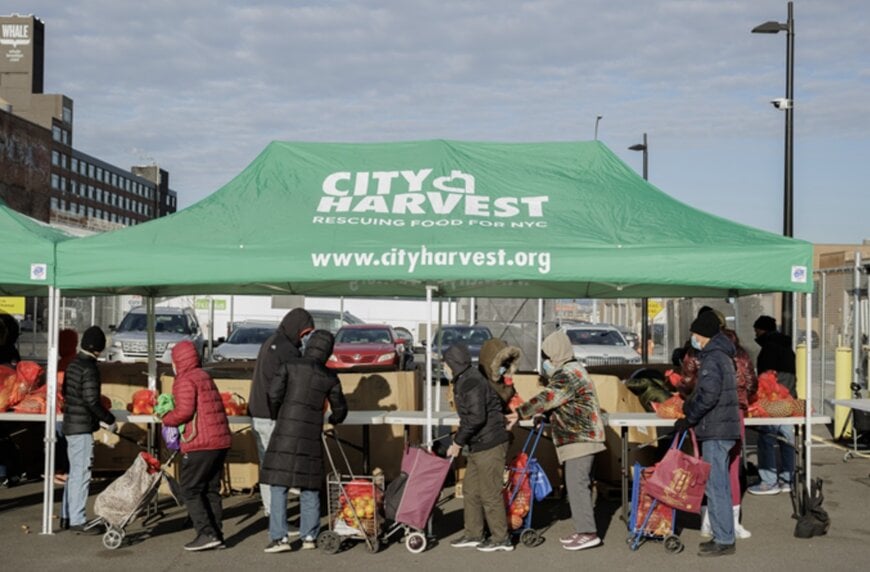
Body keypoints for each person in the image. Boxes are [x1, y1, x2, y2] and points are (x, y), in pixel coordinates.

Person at [505, 330, 606, 552]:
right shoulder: (574, 370)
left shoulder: (567, 374)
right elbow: (563, 402)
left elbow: (548, 397)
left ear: (556, 355)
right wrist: (546, 415)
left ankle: (588, 533)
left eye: (548, 358)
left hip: (579, 437)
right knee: (578, 484)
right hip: (581, 436)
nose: (546, 363)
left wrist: (521, 412)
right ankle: (583, 529)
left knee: (577, 484)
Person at [260, 330, 348, 553]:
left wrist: (276, 414)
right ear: (328, 351)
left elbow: (273, 394)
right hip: (311, 433)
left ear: (309, 345)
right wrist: (334, 419)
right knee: (310, 486)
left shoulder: (290, 365)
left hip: (285, 431)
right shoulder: (329, 376)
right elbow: (340, 408)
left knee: (279, 485)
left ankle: (280, 539)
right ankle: (309, 536)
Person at [674, 311, 740, 557]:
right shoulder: (724, 355)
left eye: (694, 333)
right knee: (719, 484)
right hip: (722, 427)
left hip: (715, 429)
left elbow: (708, 395)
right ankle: (722, 536)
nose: (692, 338)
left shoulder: (713, 358)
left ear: (702, 334)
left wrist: (689, 415)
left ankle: (723, 539)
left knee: (716, 485)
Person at [160, 340, 232, 551]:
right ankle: (217, 534)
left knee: (190, 489)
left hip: (200, 442)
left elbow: (184, 412)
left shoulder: (184, 379)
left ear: (178, 361)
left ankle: (206, 533)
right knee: (211, 489)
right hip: (220, 441)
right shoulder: (204, 375)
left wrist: (167, 418)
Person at [445, 344, 512, 552]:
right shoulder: (465, 379)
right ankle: (474, 533)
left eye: (445, 364)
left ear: (453, 364)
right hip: (478, 443)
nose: (444, 368)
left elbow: (476, 417)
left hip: (490, 443)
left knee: (489, 493)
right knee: (471, 489)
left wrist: (457, 442)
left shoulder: (470, 382)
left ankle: (501, 538)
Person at [248, 308, 314, 517]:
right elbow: (289, 386)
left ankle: (273, 512)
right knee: (278, 469)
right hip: (272, 415)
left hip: (259, 412)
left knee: (268, 465)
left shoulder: (271, 342)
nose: (304, 338)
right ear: (296, 328)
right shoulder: (287, 350)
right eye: (304, 333)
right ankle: (277, 518)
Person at [60, 326, 116, 533]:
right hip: (82, 428)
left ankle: (67, 515)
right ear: (98, 349)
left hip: (70, 423)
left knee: (74, 473)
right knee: (82, 474)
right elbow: (92, 401)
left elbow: (66, 391)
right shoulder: (90, 368)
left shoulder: (73, 364)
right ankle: (78, 519)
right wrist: (108, 419)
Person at [748, 315, 796, 496]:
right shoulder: (786, 346)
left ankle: (768, 481)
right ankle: (788, 478)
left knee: (767, 438)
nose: (755, 334)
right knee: (787, 439)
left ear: (762, 330)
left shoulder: (768, 348)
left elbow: (765, 378)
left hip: (773, 400)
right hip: (790, 397)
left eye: (756, 330)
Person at [54, 329, 79, 485]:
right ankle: (65, 469)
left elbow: (61, 387)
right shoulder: (75, 361)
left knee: (60, 439)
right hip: (68, 410)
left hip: (62, 409)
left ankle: (63, 470)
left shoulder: (64, 364)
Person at [476, 338, 521, 410]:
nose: (504, 367)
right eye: (501, 363)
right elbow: (499, 402)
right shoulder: (484, 387)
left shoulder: (503, 379)